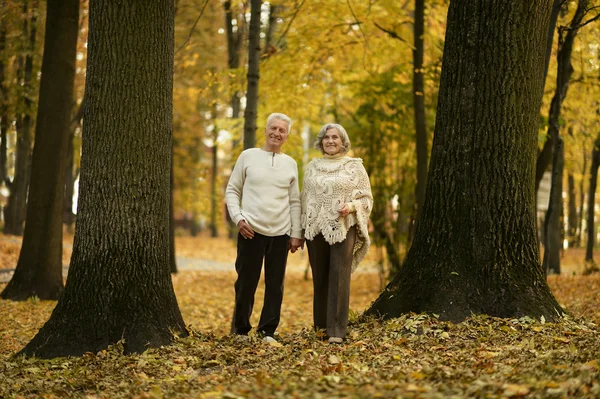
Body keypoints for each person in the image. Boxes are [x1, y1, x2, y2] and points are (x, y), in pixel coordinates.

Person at [226, 113, 304, 344]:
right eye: (273, 128)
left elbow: (295, 201)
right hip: (250, 230)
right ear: (265, 129)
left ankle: (267, 332)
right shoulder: (247, 156)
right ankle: (241, 331)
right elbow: (232, 190)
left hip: (281, 233)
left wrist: (296, 233)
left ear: (287, 136)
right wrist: (238, 218)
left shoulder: (290, 163)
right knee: (245, 283)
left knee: (275, 285)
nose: (277, 133)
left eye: (282, 130)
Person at [301, 123, 373, 344]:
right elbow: (305, 198)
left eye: (335, 137)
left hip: (343, 227)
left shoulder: (354, 166)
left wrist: (350, 207)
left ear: (343, 142)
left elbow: (366, 198)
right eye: (326, 137)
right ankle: (321, 329)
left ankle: (337, 331)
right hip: (315, 228)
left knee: (339, 278)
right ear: (321, 141)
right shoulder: (312, 167)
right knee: (320, 277)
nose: (330, 141)